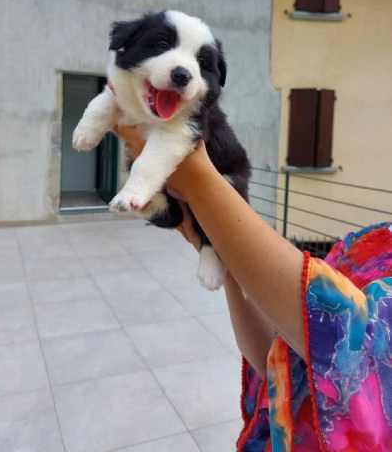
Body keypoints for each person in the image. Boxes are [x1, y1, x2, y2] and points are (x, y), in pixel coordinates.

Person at [114, 125, 392, 452]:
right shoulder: (375, 243)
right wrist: (221, 248)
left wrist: (197, 178)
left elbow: (354, 353)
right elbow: (275, 358)